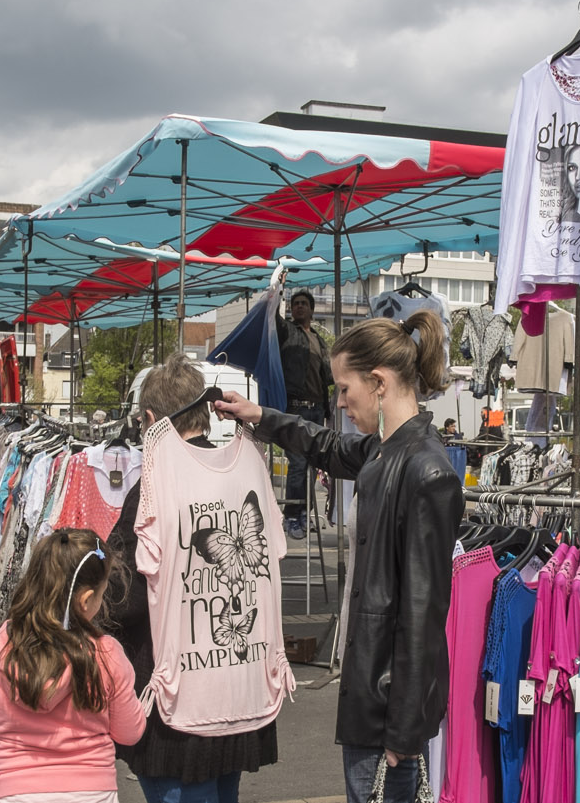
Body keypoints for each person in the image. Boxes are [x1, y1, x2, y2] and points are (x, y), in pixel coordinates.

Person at [213, 309, 462, 803]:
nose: (341, 402)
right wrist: (261, 417)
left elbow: (423, 614)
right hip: (372, 696)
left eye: (346, 389)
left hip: (387, 711)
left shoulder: (427, 472)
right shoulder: (385, 449)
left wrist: (403, 731)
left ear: (379, 382)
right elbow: (325, 445)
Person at [102, 354, 278, 803]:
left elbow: (124, 595)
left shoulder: (156, 485)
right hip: (238, 686)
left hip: (175, 706)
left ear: (149, 420)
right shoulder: (243, 471)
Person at [0, 527, 146, 803]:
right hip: (92, 793)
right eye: (102, 593)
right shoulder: (106, 654)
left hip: (15, 793)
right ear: (85, 600)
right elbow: (129, 733)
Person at [277, 289, 332, 539]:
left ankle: (302, 512)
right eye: (294, 304)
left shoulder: (319, 340)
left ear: (311, 309)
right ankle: (291, 515)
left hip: (316, 409)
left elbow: (327, 376)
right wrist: (277, 290)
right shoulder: (287, 331)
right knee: (298, 462)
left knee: (312, 464)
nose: (298, 307)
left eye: (303, 304)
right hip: (295, 407)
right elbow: (273, 321)